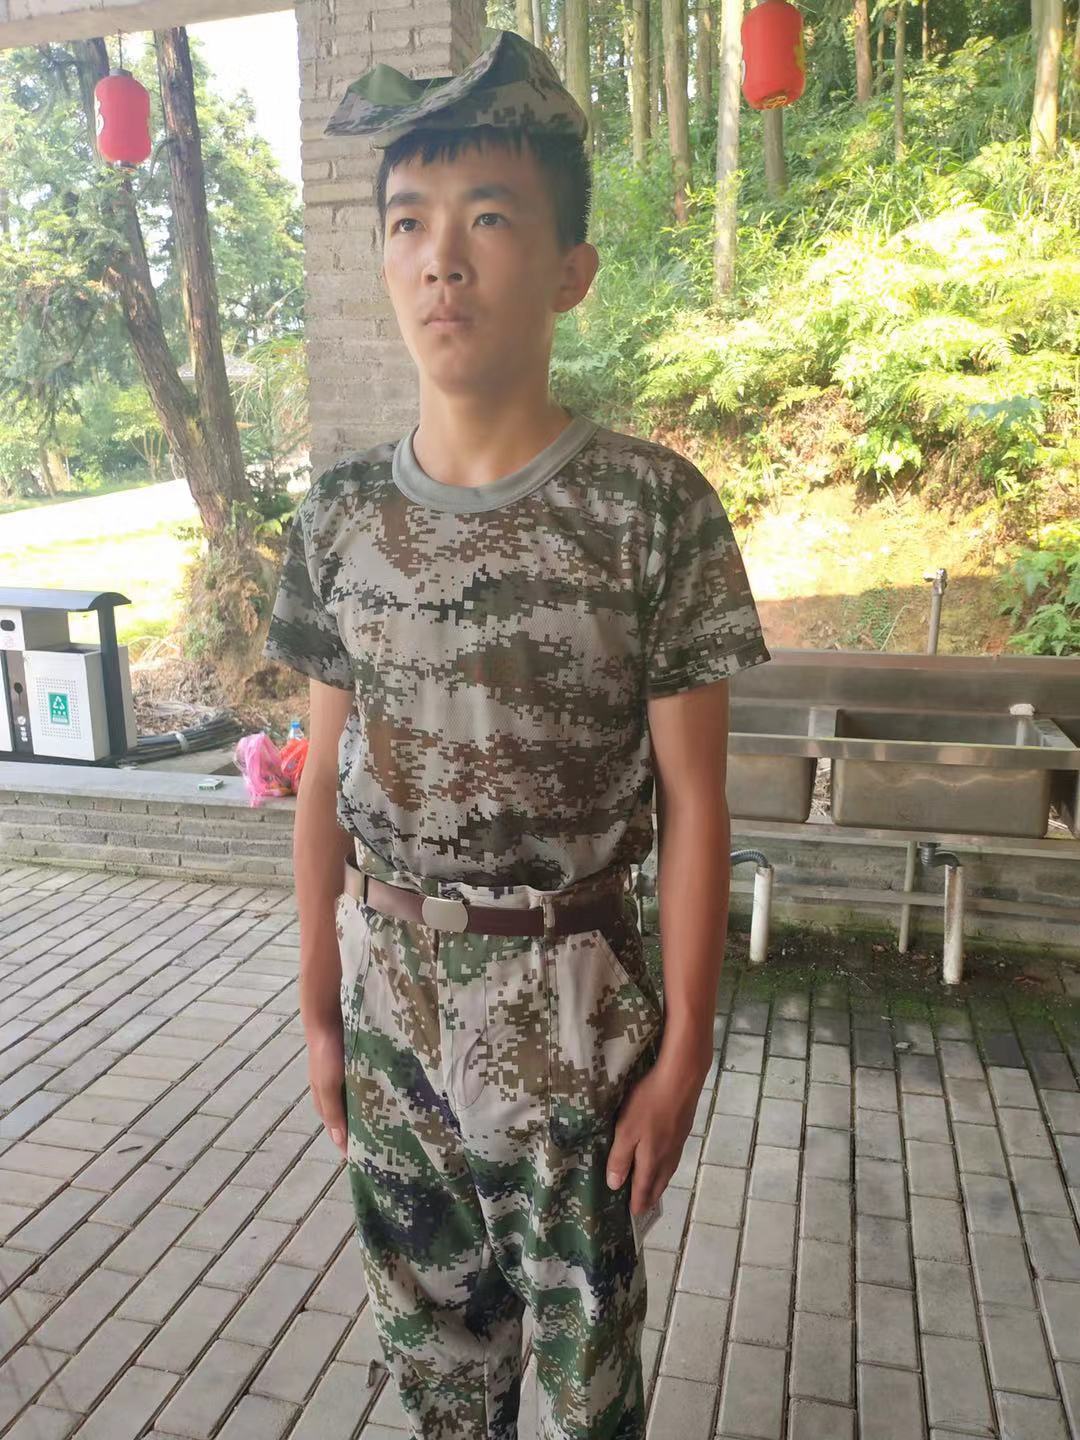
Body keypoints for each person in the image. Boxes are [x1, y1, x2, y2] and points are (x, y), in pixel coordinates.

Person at [262, 28, 770, 1440]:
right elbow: (321, 787)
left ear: (569, 271)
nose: (443, 259)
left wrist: (683, 1055)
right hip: (392, 1009)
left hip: (576, 1021)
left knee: (587, 1395)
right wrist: (320, 1014)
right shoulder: (339, 519)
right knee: (437, 1386)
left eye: (489, 220)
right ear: (383, 263)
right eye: (409, 224)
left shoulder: (650, 512)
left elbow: (697, 806)